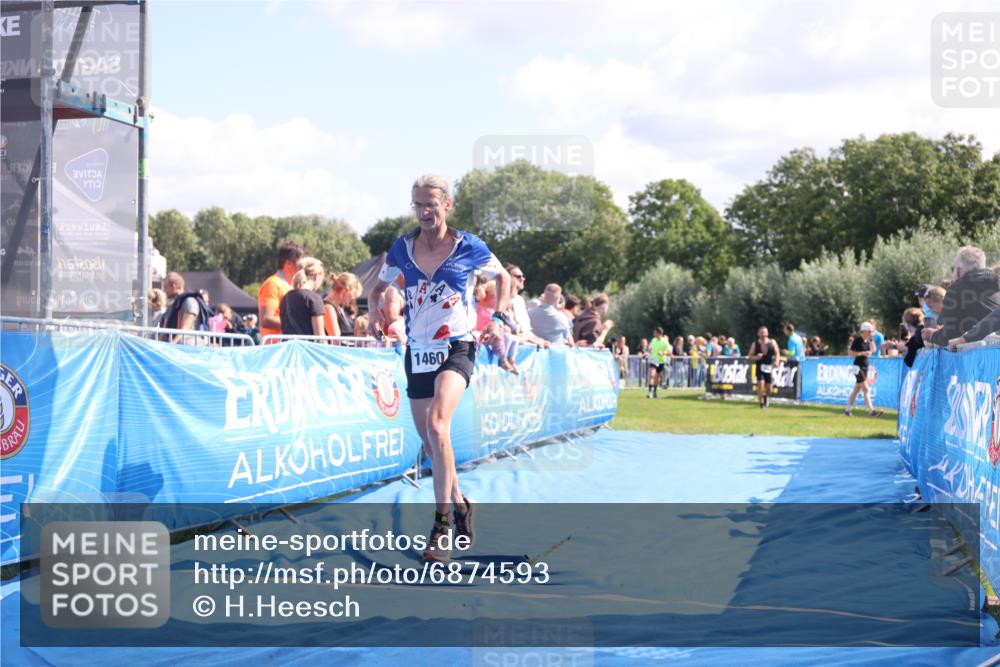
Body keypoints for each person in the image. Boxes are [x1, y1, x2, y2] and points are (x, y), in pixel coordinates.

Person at [369, 173, 510, 563]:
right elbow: (378, 290)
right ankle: (462, 503)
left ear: (447, 205)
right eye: (418, 204)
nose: (425, 211)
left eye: (431, 204)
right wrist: (373, 315)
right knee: (431, 444)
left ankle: (441, 526)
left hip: (457, 346)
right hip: (418, 349)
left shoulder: (468, 246)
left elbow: (502, 277)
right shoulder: (402, 248)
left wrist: (497, 317)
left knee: (437, 426)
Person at [926, 246, 1000, 347]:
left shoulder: (956, 289)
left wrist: (932, 335)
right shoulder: (997, 284)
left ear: (959, 270)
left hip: (973, 356)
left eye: (953, 268)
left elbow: (948, 336)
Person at [258, 240, 306, 343]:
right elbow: (266, 319)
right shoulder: (272, 284)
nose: (303, 267)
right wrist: (297, 324)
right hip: (275, 350)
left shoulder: (291, 286)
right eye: (301, 263)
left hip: (288, 347)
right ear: (288, 263)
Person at [160, 272, 212, 345]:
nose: (164, 291)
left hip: (188, 347)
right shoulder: (172, 305)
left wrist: (172, 344)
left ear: (173, 286)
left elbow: (185, 328)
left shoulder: (189, 301)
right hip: (174, 347)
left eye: (166, 287)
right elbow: (164, 332)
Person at [280, 257, 327, 338]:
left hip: (290, 349)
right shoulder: (314, 298)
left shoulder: (286, 298)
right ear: (316, 276)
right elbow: (320, 336)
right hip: (308, 349)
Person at [845, 322, 883, 417]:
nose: (871, 333)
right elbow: (850, 353)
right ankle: (872, 411)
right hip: (857, 367)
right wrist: (862, 353)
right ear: (864, 331)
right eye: (869, 331)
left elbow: (873, 350)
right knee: (866, 389)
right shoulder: (857, 340)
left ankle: (847, 410)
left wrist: (871, 341)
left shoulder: (869, 340)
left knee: (856, 390)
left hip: (865, 367)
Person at [748, 326, 781, 409]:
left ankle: (765, 397)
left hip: (769, 366)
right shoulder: (755, 343)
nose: (763, 334)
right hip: (759, 366)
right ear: (758, 334)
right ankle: (761, 404)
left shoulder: (772, 342)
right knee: (760, 384)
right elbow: (750, 356)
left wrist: (777, 361)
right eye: (761, 332)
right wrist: (756, 357)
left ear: (767, 333)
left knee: (769, 390)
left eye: (764, 332)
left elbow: (777, 353)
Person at [324, 272, 363, 338]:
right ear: (345, 291)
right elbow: (336, 339)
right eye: (351, 297)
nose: (351, 301)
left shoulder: (341, 309)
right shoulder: (328, 308)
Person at [647, 327, 670, 398]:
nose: (654, 333)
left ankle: (654, 392)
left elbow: (669, 352)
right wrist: (649, 350)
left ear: (659, 333)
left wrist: (663, 353)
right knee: (651, 374)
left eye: (655, 332)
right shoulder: (653, 340)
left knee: (657, 377)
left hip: (661, 361)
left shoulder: (665, 341)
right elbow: (649, 348)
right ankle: (650, 392)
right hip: (654, 360)